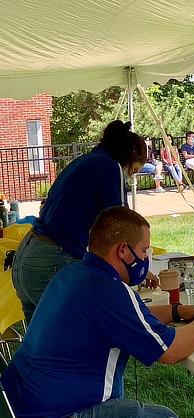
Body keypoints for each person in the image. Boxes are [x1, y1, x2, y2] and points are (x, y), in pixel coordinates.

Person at [1, 206, 194, 418]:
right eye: (144, 251)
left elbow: (127, 317)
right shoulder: (107, 290)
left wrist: (179, 311)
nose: (145, 258)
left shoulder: (72, 274)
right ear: (123, 250)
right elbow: (171, 351)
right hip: (60, 411)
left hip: (18, 402)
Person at [11, 120, 150, 325]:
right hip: (52, 258)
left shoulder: (85, 161)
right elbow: (121, 225)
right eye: (134, 170)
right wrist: (136, 264)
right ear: (130, 158)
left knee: (42, 346)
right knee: (79, 339)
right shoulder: (109, 167)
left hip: (27, 257)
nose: (131, 176)